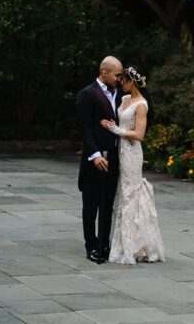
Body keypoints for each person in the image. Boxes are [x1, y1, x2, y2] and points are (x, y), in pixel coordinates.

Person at [100, 65, 166, 264]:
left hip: (131, 153)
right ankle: (120, 242)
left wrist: (115, 130)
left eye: (124, 80)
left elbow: (139, 135)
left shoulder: (141, 105)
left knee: (131, 193)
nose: (121, 83)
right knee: (122, 193)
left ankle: (133, 245)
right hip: (119, 151)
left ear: (132, 81)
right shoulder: (124, 99)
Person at [76, 56, 122, 264]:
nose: (120, 78)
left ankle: (105, 242)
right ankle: (91, 245)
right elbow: (85, 129)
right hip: (94, 158)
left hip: (114, 156)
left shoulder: (120, 93)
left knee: (108, 202)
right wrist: (94, 155)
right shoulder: (86, 94)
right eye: (117, 74)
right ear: (104, 73)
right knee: (91, 204)